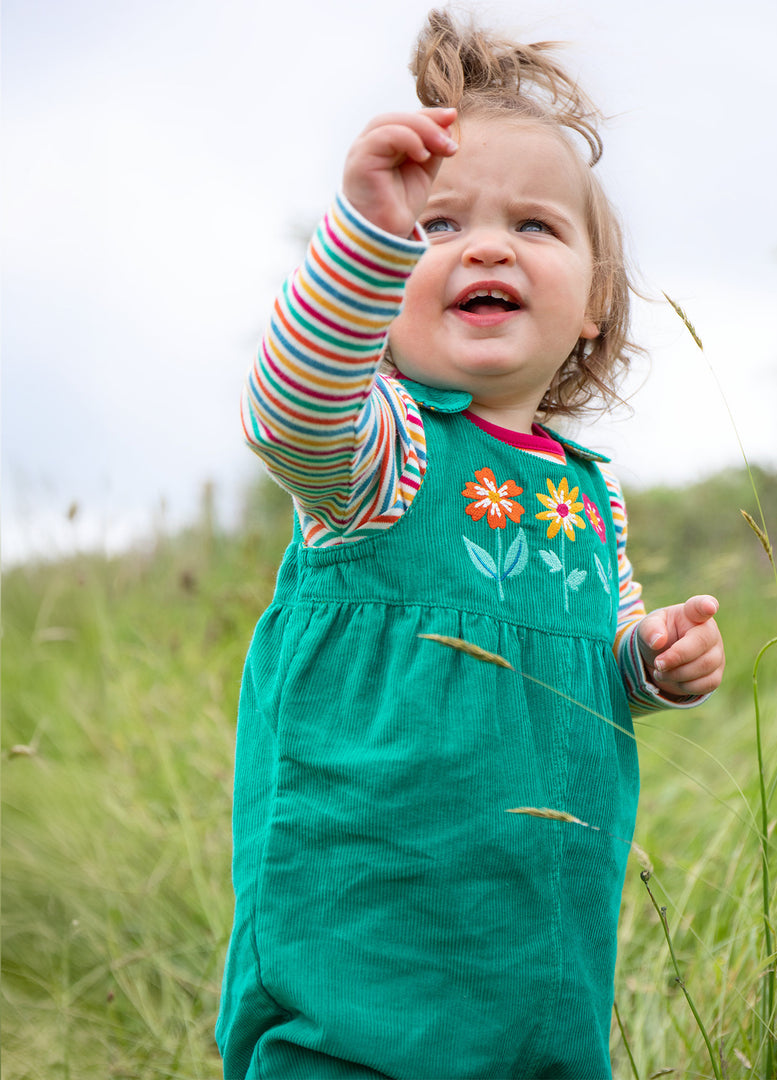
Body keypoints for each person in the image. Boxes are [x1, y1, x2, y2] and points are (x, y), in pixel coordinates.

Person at [216, 10, 725, 1079]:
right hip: (360, 934)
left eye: (534, 227)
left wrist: (651, 660)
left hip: (535, 938)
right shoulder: (380, 453)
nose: (485, 244)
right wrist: (365, 231)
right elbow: (287, 408)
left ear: (592, 302)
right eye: (438, 229)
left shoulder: (586, 495)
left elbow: (600, 652)